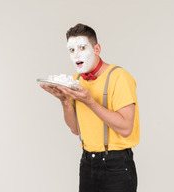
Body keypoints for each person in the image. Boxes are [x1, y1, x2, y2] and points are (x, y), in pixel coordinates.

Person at [40, 23, 140, 192]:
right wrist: (64, 100)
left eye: (82, 47)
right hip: (87, 162)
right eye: (71, 50)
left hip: (116, 164)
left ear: (97, 49)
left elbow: (125, 128)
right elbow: (75, 129)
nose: (76, 54)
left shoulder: (119, 77)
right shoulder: (76, 80)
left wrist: (90, 101)